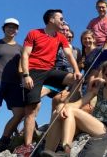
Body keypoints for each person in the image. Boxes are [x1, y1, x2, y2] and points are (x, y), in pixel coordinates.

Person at [15, 9, 82, 155]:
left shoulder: (60, 37)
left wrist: (76, 70)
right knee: (31, 109)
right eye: (61, 18)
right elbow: (25, 54)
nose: (63, 21)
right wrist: (26, 75)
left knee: (76, 78)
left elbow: (69, 54)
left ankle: (71, 108)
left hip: (50, 71)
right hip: (33, 72)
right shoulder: (34, 33)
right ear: (51, 20)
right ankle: (27, 146)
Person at [43, 60, 107, 155]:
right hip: (91, 124)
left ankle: (65, 151)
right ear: (103, 75)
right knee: (58, 113)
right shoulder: (100, 88)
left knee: (69, 111)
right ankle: (48, 152)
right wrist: (61, 106)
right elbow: (78, 103)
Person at [0, 18, 24, 153]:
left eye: (14, 27)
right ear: (4, 28)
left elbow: (22, 67)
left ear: (17, 30)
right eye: (9, 27)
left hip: (15, 83)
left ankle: (4, 139)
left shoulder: (21, 48)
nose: (11, 29)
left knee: (20, 113)